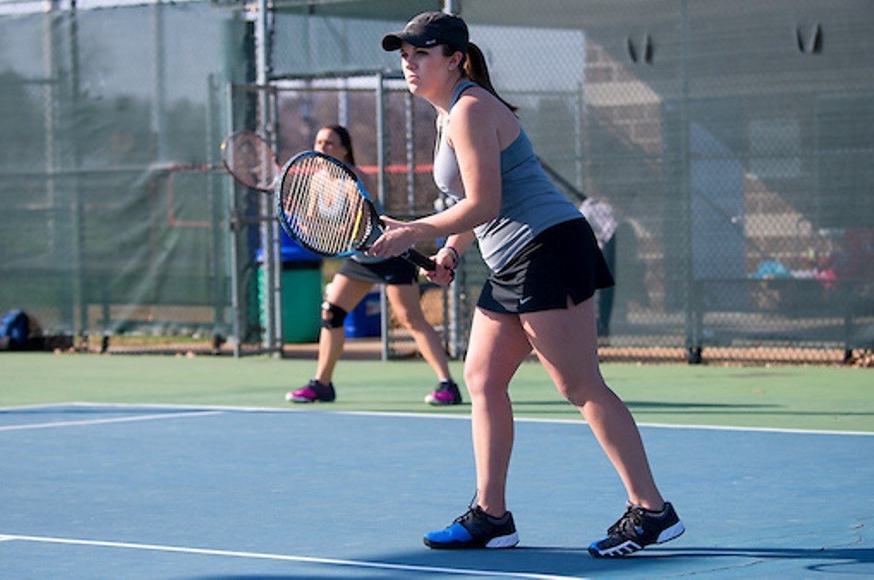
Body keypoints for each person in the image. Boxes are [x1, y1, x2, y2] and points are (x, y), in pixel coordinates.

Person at [374, 11, 684, 557]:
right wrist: (446, 248)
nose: (409, 63)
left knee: (579, 384)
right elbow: (472, 209)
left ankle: (653, 510)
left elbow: (485, 202)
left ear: (455, 59)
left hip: (548, 250)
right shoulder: (448, 116)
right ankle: (492, 516)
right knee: (482, 377)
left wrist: (414, 231)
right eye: (404, 54)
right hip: (514, 258)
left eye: (421, 53)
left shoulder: (470, 109)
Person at [285, 124, 462, 406]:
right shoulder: (317, 181)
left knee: (411, 319)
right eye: (319, 142)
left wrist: (338, 231)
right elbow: (316, 223)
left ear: (344, 149)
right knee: (332, 314)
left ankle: (447, 384)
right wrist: (302, 219)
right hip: (359, 260)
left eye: (330, 143)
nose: (323, 148)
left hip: (391, 253)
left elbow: (356, 224)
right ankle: (322, 384)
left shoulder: (355, 178)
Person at [579, 196, 618, 338]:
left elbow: (610, 230)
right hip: (591, 255)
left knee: (604, 294)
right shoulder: (586, 208)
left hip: (600, 254)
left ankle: (602, 329)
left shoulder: (598, 209)